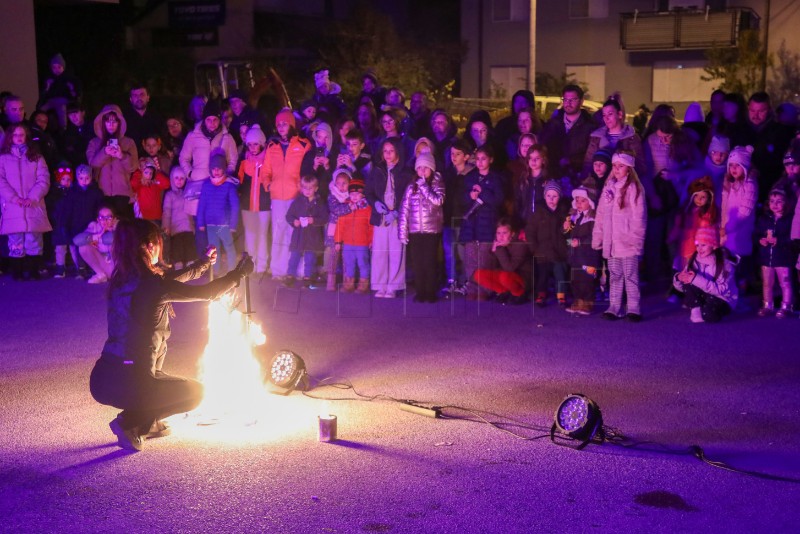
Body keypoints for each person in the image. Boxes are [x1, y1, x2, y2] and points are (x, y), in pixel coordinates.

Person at [89, 218, 254, 452]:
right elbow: (207, 293)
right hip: (132, 381)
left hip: (102, 379)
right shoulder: (152, 285)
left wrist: (204, 263)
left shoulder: (121, 280)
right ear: (149, 246)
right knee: (196, 393)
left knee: (160, 379)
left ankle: (145, 421)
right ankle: (132, 422)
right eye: (158, 242)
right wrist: (238, 274)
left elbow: (170, 281)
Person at [591, 150, 647, 322]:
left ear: (629, 168)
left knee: (630, 275)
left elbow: (640, 217)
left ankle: (633, 308)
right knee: (614, 275)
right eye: (614, 165)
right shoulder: (608, 187)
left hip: (627, 242)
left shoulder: (634, 189)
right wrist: (598, 238)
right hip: (612, 242)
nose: (616, 169)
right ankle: (614, 306)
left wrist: (637, 242)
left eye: (620, 166)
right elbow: (600, 214)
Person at [179, 100, 238, 254]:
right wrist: (190, 173)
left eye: (215, 119)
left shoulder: (226, 137)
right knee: (200, 228)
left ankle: (216, 264)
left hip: (218, 188)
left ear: (220, 120)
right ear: (204, 120)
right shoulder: (193, 136)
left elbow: (233, 160)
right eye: (209, 119)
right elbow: (184, 158)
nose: (212, 123)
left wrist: (226, 175)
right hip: (199, 186)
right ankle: (202, 265)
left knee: (216, 227)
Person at [263, 109, 311, 280]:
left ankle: (298, 271)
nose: (281, 127)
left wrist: (302, 189)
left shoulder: (303, 145)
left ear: (291, 124)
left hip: (295, 196)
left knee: (295, 233)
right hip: (277, 197)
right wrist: (268, 184)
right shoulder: (272, 147)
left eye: (284, 124)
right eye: (279, 125)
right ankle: (278, 270)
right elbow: (266, 170)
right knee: (278, 232)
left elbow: (308, 169)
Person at [0, 123, 52, 281]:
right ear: (10, 137)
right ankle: (17, 271)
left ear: (27, 137)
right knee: (15, 239)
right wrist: (14, 198)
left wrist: (33, 197)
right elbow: (1, 181)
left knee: (34, 237)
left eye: (21, 135)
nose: (18, 138)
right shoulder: (3, 158)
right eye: (15, 135)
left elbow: (44, 179)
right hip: (13, 205)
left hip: (33, 204)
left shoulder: (36, 157)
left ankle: (34, 270)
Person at [366, 137, 413, 297]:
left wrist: (397, 212)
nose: (387, 154)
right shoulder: (377, 170)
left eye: (391, 151)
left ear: (398, 151)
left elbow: (408, 195)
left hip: (397, 218)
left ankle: (394, 285)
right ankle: (380, 285)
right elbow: (369, 192)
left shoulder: (406, 173)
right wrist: (376, 205)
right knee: (379, 251)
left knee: (396, 251)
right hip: (381, 217)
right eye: (385, 151)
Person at [459, 145, 504, 301]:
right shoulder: (469, 177)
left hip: (488, 223)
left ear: (490, 160)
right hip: (471, 223)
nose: (480, 162)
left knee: (485, 259)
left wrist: (483, 192)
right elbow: (461, 200)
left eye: (483, 159)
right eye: (477, 159)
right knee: (471, 258)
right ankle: (472, 287)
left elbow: (498, 200)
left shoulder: (496, 178)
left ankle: (485, 288)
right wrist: (470, 196)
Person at [399, 152, 445, 303]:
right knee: (417, 262)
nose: (422, 171)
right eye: (419, 168)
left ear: (432, 169)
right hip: (415, 231)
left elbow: (438, 201)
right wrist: (402, 231)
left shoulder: (437, 182)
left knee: (429, 262)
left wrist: (425, 187)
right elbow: (404, 209)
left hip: (431, 231)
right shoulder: (411, 186)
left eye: (426, 168)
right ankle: (420, 291)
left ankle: (430, 292)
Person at [673, 227, 738, 323]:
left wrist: (695, 279)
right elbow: (684, 287)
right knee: (689, 278)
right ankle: (696, 309)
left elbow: (721, 290)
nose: (699, 249)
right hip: (706, 294)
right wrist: (678, 278)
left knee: (709, 315)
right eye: (697, 245)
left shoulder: (724, 264)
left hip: (723, 297)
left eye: (703, 245)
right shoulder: (695, 259)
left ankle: (717, 310)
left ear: (714, 245)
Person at [86, 104, 139, 219]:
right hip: (101, 194)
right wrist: (104, 152)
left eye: (114, 121)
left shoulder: (128, 142)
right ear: (102, 123)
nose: (111, 125)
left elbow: (133, 167)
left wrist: (121, 155)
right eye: (108, 121)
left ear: (120, 123)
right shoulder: (94, 143)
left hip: (122, 194)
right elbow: (92, 164)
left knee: (123, 230)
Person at [720, 145, 758, 293]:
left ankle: (744, 290)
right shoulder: (731, 184)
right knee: (729, 263)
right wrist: (722, 225)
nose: (734, 169)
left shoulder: (750, 184)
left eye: (738, 165)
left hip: (740, 230)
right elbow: (724, 206)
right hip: (728, 230)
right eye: (731, 166)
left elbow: (745, 211)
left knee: (741, 262)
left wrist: (729, 227)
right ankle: (732, 292)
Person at [540, 85, 596, 181]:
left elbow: (591, 155)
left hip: (579, 178)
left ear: (581, 101)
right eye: (565, 99)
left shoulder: (589, 127)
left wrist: (571, 161)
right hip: (554, 178)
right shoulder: (553, 124)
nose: (568, 103)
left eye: (572, 100)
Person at [527, 180, 569, 307]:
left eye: (554, 196)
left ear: (559, 197)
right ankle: (541, 294)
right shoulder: (538, 212)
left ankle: (561, 295)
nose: (551, 199)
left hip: (558, 250)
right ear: (545, 196)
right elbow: (530, 231)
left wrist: (565, 228)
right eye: (548, 196)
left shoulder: (563, 212)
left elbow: (565, 232)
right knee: (542, 274)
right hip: (542, 250)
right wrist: (534, 248)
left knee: (560, 272)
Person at [196, 152, 240, 275]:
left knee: (229, 247)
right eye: (214, 169)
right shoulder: (206, 185)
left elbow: (235, 206)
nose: (216, 171)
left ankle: (233, 271)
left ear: (223, 169)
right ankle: (216, 272)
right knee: (214, 249)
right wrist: (201, 222)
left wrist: (233, 225)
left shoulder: (228, 185)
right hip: (210, 224)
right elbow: (202, 205)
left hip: (223, 225)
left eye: (219, 169)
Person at [441, 138, 474, 296]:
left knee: (463, 252)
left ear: (466, 157)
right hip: (448, 218)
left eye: (458, 154)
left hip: (464, 219)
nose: (454, 156)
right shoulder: (448, 174)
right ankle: (451, 280)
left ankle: (466, 281)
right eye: (452, 153)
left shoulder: (471, 174)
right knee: (449, 251)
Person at [584, 95, 646, 178]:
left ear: (620, 114)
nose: (606, 118)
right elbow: (588, 162)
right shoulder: (596, 137)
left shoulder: (632, 138)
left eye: (610, 114)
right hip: (600, 183)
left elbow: (640, 166)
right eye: (604, 115)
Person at [754, 189, 794, 318]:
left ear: (786, 203)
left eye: (779, 201)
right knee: (767, 282)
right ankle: (767, 305)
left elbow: (793, 238)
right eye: (772, 201)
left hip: (783, 257)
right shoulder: (764, 218)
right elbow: (756, 234)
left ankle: (786, 306)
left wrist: (780, 240)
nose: (774, 204)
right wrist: (761, 240)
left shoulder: (790, 219)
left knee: (785, 282)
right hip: (767, 257)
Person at [237, 125, 271, 275]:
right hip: (248, 206)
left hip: (264, 205)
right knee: (250, 236)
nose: (252, 147)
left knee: (262, 235)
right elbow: (239, 182)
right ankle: (250, 265)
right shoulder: (244, 163)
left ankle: (262, 266)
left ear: (262, 143)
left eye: (256, 143)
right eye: (250, 144)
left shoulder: (268, 161)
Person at [60, 164, 104, 277]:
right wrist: (65, 224)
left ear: (91, 177)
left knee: (90, 245)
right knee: (76, 247)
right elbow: (67, 209)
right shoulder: (72, 193)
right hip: (76, 224)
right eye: (81, 178)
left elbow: (99, 207)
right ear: (77, 178)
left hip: (90, 224)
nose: (84, 181)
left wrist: (97, 220)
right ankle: (80, 268)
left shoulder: (95, 192)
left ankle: (92, 267)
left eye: (87, 178)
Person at [285, 175, 328, 288]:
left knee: (310, 259)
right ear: (301, 188)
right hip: (299, 236)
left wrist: (313, 220)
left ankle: (308, 278)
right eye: (305, 188)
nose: (308, 191)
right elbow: (289, 215)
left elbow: (325, 218)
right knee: (294, 257)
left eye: (310, 188)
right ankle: (290, 276)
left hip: (313, 237)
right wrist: (294, 221)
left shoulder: (320, 203)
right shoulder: (297, 201)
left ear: (316, 188)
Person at [669, 177, 718, 272]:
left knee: (694, 271)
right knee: (682, 271)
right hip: (684, 247)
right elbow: (678, 226)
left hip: (697, 249)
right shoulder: (686, 211)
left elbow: (708, 234)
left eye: (703, 197)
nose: (699, 199)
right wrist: (673, 235)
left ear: (708, 199)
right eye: (696, 196)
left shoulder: (707, 215)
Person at [564, 187, 600, 315]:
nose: (579, 203)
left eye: (583, 201)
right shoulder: (574, 218)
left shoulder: (593, 220)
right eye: (577, 200)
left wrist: (581, 241)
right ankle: (578, 301)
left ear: (590, 203)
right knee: (576, 279)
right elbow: (567, 236)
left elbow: (595, 236)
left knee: (587, 279)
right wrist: (566, 229)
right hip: (575, 256)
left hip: (588, 256)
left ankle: (588, 302)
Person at [335, 176, 373, 293]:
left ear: (363, 194)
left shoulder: (367, 209)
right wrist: (337, 241)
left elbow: (371, 227)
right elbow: (340, 225)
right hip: (347, 243)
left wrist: (371, 240)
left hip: (362, 243)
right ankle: (349, 283)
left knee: (363, 264)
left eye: (357, 194)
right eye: (352, 194)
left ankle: (363, 284)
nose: (354, 197)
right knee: (349, 263)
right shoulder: (346, 208)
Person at [49, 164, 80, 278]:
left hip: (71, 224)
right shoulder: (54, 193)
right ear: (58, 179)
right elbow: (52, 208)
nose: (66, 182)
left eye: (68, 179)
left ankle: (79, 267)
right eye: (63, 179)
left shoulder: (74, 193)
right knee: (60, 247)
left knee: (73, 246)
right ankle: (60, 267)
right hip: (59, 224)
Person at [161, 166, 196, 269]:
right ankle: (179, 271)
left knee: (190, 250)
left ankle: (192, 270)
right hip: (176, 229)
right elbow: (166, 211)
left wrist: (194, 225)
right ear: (172, 178)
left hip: (188, 227)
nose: (179, 181)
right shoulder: (170, 195)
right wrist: (165, 226)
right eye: (176, 178)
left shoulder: (188, 192)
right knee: (178, 251)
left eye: (182, 178)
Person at [74, 204, 117, 284]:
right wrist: (97, 235)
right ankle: (100, 275)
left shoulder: (118, 225)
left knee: (114, 241)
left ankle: (118, 276)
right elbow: (77, 240)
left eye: (109, 217)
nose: (105, 220)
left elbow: (108, 239)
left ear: (114, 219)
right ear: (98, 219)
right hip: (103, 265)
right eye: (101, 217)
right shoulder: (94, 226)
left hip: (117, 267)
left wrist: (107, 234)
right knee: (83, 246)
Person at [38, 53, 81, 131]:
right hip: (51, 101)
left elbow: (75, 94)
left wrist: (71, 89)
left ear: (63, 67)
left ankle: (63, 128)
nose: (56, 70)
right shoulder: (50, 78)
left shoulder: (67, 78)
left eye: (59, 67)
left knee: (62, 111)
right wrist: (47, 86)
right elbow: (44, 93)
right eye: (54, 67)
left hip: (62, 100)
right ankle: (38, 126)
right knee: (41, 110)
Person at [123, 85, 164, 158]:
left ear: (148, 97)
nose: (139, 98)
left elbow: (162, 137)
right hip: (130, 159)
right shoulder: (123, 119)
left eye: (142, 94)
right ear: (131, 99)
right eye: (135, 95)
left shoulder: (157, 117)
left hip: (154, 158)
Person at [59, 102, 94, 166]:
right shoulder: (68, 133)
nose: (73, 117)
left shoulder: (93, 127)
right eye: (70, 114)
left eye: (76, 113)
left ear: (83, 113)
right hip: (77, 166)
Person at [704, 135, 730, 207]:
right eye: (714, 152)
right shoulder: (703, 169)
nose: (718, 156)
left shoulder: (729, 171)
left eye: (723, 153)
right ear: (710, 153)